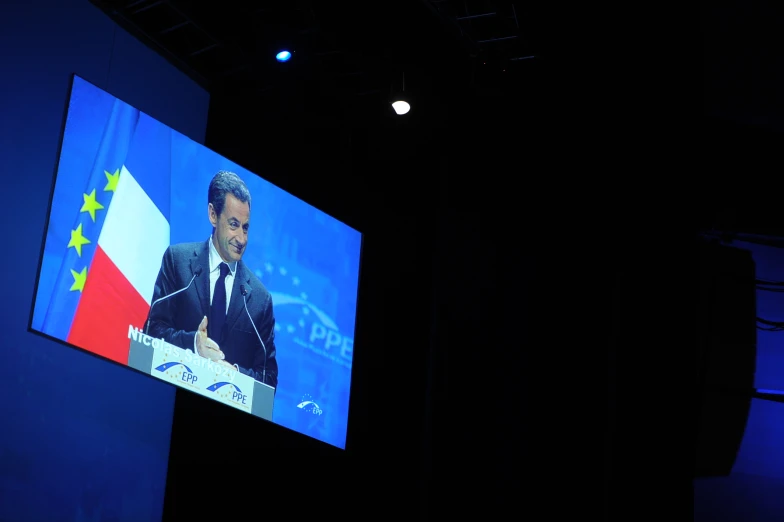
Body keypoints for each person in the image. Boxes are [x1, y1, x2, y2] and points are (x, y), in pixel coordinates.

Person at [147, 170, 278, 389]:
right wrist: (194, 345)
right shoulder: (178, 261)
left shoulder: (260, 300)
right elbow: (152, 331)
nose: (242, 239)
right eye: (234, 225)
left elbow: (269, 379)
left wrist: (235, 374)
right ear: (213, 215)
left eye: (245, 228)